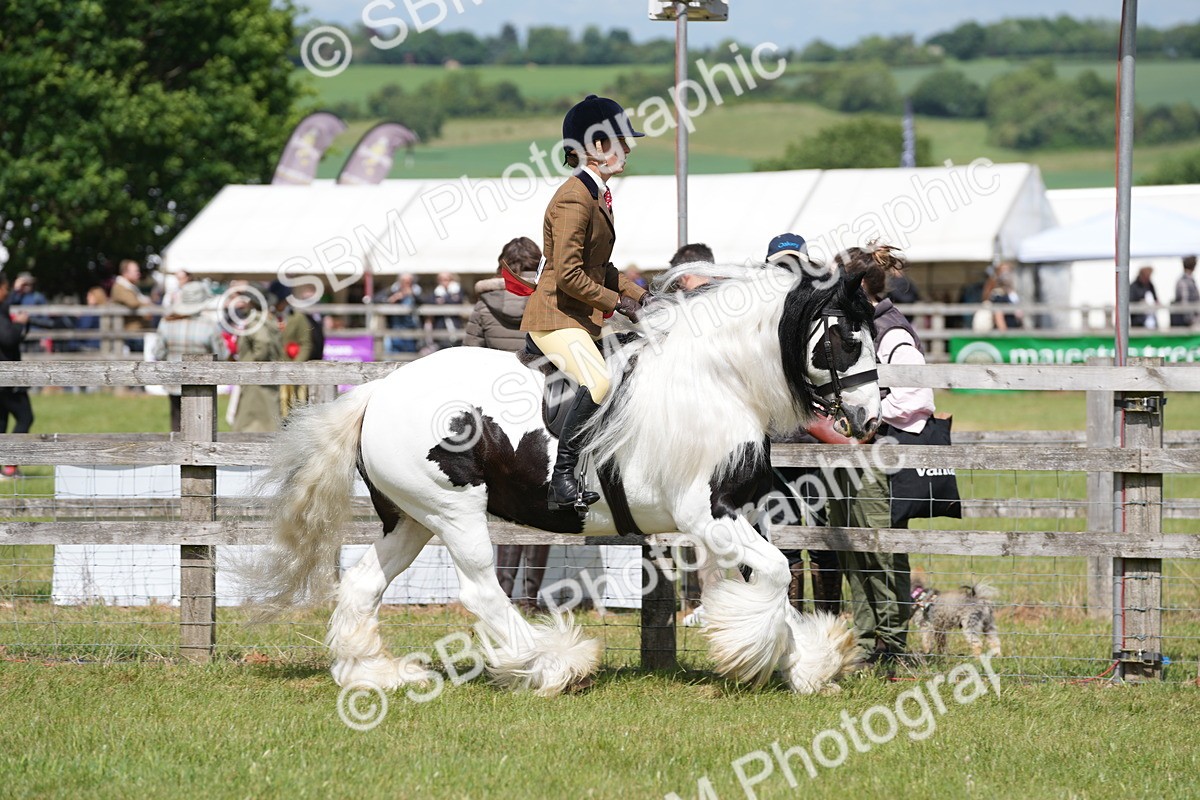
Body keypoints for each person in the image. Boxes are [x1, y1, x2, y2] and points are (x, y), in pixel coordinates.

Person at [520, 93, 648, 511]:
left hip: (575, 317)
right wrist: (619, 304)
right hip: (554, 318)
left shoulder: (595, 195)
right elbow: (570, 274)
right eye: (619, 142)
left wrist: (645, 296)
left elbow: (600, 267)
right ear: (594, 148)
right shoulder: (574, 197)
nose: (626, 150)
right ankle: (562, 477)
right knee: (600, 381)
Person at [829, 244, 936, 669]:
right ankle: (866, 642)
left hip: (879, 453)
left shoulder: (892, 332)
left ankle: (892, 645)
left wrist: (861, 418)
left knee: (881, 551)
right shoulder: (855, 326)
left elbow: (917, 399)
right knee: (853, 551)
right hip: (853, 454)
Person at [466, 237, 552, 609]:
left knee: (502, 503)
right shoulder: (547, 302)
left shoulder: (482, 309)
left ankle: (499, 592)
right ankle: (529, 596)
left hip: (493, 418)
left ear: (502, 264)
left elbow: (467, 362)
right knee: (541, 502)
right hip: (540, 412)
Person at [151, 282, 229, 431]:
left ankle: (177, 453)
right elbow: (223, 354)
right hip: (202, 384)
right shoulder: (209, 325)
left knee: (177, 425)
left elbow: (158, 353)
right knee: (202, 428)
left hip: (174, 381)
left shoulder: (167, 322)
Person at [231, 292, 283, 433]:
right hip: (267, 375)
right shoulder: (269, 320)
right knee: (269, 418)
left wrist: (257, 361)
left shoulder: (254, 322)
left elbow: (263, 341)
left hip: (255, 377)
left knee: (249, 422)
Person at [0, 272, 33, 479]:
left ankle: (4, 467)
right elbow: (8, 338)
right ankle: (10, 464)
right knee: (25, 417)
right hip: (6, 376)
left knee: (1, 422)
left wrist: (16, 290)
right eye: (5, 288)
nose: (6, 293)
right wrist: (20, 323)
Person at [270, 283, 313, 415]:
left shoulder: (298, 318)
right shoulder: (268, 317)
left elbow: (306, 344)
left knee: (294, 406)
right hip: (273, 368)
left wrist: (295, 365)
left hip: (293, 369)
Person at [110, 259, 152, 352]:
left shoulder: (131, 287)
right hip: (132, 333)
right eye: (135, 271)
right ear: (125, 272)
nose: (139, 273)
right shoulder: (120, 287)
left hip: (138, 331)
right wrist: (146, 303)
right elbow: (133, 302)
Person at [424, 272, 464, 350]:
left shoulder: (458, 290)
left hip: (455, 325)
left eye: (446, 279)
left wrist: (444, 300)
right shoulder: (435, 292)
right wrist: (450, 298)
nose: (444, 282)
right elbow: (430, 301)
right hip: (440, 326)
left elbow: (458, 301)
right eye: (441, 280)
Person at [989, 262, 1023, 331]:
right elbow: (998, 316)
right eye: (1003, 271)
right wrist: (1005, 334)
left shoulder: (1017, 293)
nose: (1006, 274)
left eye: (1008, 271)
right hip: (1008, 333)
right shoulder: (998, 294)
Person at [1171, 255, 1198, 329]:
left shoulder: (1189, 280)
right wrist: (1191, 320)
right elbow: (1184, 301)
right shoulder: (1184, 281)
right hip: (1187, 321)